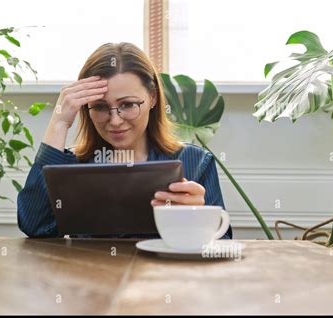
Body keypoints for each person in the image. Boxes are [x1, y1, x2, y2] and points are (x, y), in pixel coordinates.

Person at [17, 42, 232, 239]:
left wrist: (200, 220)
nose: (115, 121)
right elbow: (35, 226)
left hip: (166, 279)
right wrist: (59, 123)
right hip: (88, 278)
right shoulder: (71, 165)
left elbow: (222, 241)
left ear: (152, 98)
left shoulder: (195, 162)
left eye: (128, 104)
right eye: (100, 107)